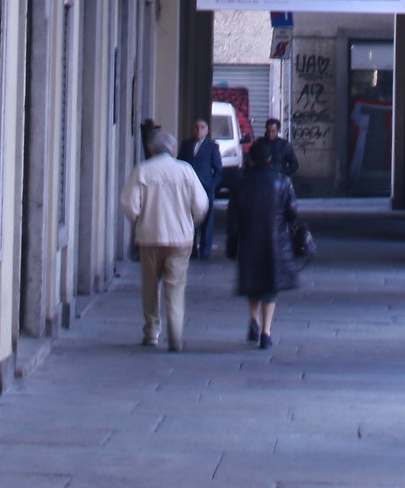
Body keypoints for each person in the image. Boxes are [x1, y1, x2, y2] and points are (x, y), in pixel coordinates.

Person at [120, 130, 209, 351]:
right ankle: (175, 336)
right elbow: (201, 204)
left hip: (150, 237)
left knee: (151, 286)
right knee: (175, 287)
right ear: (173, 150)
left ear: (151, 149)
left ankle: (151, 332)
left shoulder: (143, 170)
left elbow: (130, 205)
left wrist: (141, 219)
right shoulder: (185, 171)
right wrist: (190, 223)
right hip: (180, 240)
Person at [229, 138, 303, 349]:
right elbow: (292, 212)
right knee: (270, 286)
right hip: (275, 240)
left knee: (253, 281)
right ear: (270, 159)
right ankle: (266, 332)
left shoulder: (241, 185)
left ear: (251, 160)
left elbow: (233, 219)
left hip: (249, 239)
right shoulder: (282, 181)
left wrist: (232, 246)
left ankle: (253, 319)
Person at [182, 116, 225, 259]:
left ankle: (205, 250)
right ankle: (191, 248)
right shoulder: (186, 145)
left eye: (202, 127)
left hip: (206, 188)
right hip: (188, 188)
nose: (199, 130)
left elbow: (218, 170)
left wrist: (212, 185)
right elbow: (180, 164)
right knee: (189, 219)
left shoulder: (212, 147)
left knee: (207, 219)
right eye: (196, 127)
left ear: (207, 131)